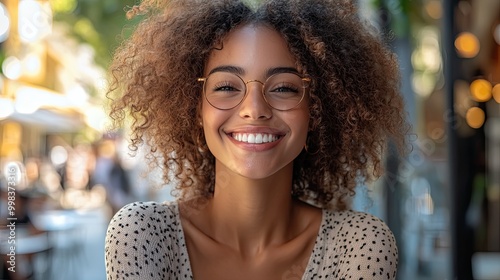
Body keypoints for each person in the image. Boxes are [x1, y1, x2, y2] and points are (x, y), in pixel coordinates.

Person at [104, 0, 408, 279]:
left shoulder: (359, 245)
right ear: (195, 109)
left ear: (315, 110)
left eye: (284, 88)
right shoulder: (143, 233)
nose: (254, 109)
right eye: (226, 87)